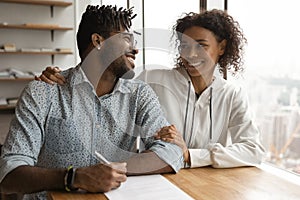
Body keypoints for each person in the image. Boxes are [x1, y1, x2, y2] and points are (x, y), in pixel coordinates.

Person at [37, 9, 265, 168]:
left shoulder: (233, 94)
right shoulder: (152, 80)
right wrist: (62, 76)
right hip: (159, 181)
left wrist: (192, 156)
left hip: (210, 183)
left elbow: (254, 150)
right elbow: (106, 76)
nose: (191, 54)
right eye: (184, 46)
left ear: (222, 47)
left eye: (201, 46)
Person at [0, 5, 183, 199]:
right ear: (98, 41)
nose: (135, 49)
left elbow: (172, 152)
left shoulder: (139, 95)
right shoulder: (43, 92)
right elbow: (9, 173)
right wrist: (73, 177)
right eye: (126, 39)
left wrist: (114, 170)